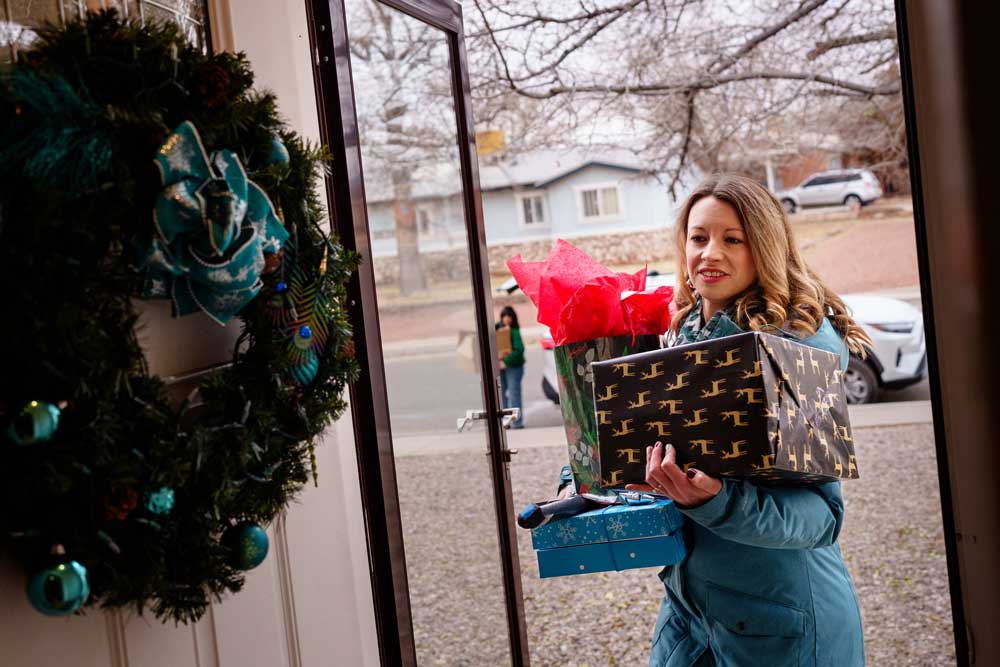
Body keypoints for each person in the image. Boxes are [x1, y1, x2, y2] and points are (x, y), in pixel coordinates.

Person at [626, 174, 871, 666]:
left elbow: (823, 519)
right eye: (699, 238)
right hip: (691, 616)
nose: (709, 253)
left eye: (731, 239)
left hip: (786, 625)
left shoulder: (797, 347)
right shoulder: (686, 333)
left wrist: (717, 500)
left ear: (764, 246)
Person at [496, 305, 525, 429]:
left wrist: (506, 361)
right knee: (501, 395)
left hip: (514, 367)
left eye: (509, 317)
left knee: (514, 394)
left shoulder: (514, 332)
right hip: (500, 365)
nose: (507, 319)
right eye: (505, 316)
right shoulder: (497, 329)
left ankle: (517, 422)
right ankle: (506, 421)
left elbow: (519, 350)